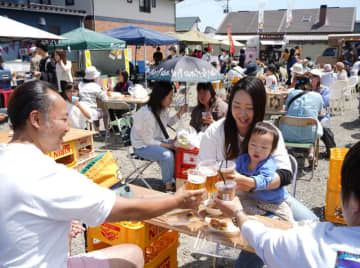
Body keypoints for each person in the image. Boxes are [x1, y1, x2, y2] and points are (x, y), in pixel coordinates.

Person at [0, 80, 204, 267]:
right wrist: (178, 200)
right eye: (64, 119)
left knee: (131, 252)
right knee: (131, 255)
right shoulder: (47, 174)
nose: (68, 127)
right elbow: (126, 210)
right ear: (36, 119)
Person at [199, 77, 318, 268]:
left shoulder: (267, 132)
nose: (242, 113)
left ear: (260, 106)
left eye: (250, 107)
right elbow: (204, 168)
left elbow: (285, 174)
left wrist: (251, 183)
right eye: (236, 105)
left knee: (313, 223)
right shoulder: (216, 132)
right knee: (264, 231)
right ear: (230, 104)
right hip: (235, 200)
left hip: (271, 197)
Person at [215, 140, 360, 268]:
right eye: (253, 144)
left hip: (276, 203)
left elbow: (265, 241)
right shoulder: (235, 148)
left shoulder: (313, 245)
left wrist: (238, 213)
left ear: (355, 202)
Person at [131, 81, 187, 192]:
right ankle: (168, 185)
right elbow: (148, 141)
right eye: (169, 97)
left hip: (156, 141)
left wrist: (180, 113)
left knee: (181, 146)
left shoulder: (162, 108)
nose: (171, 100)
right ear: (161, 96)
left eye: (172, 97)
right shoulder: (147, 114)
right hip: (141, 146)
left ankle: (177, 178)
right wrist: (169, 145)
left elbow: (167, 123)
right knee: (167, 155)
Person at [235, 122, 293, 221]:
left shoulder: (268, 163)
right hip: (252, 200)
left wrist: (242, 179)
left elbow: (265, 180)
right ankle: (266, 217)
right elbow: (234, 174)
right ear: (247, 143)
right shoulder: (242, 160)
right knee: (238, 206)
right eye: (253, 145)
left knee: (288, 223)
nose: (257, 150)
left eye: (264, 147)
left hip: (275, 202)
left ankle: (271, 217)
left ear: (272, 150)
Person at [281, 74, 324, 163]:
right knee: (312, 125)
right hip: (310, 136)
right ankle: (311, 152)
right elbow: (320, 112)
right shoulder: (318, 96)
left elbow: (286, 109)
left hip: (288, 135)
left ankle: (284, 153)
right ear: (310, 84)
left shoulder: (292, 93)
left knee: (286, 122)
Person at [310, 69, 336, 158]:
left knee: (323, 125)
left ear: (319, 79)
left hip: (321, 115)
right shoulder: (304, 87)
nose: (311, 78)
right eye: (310, 76)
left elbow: (324, 103)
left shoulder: (325, 90)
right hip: (308, 114)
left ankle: (331, 149)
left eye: (314, 76)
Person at [78, 66, 110, 137]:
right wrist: (104, 91)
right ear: (94, 77)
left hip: (81, 111)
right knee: (105, 112)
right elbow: (105, 99)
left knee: (97, 109)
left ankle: (97, 131)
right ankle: (107, 132)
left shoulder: (80, 84)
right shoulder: (95, 86)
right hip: (91, 113)